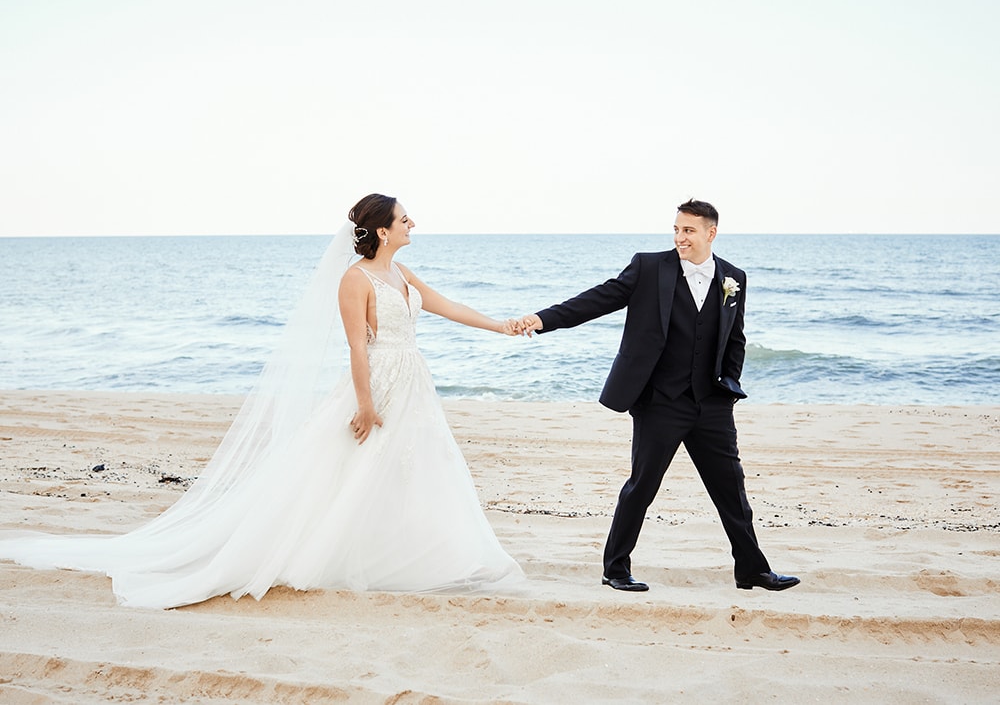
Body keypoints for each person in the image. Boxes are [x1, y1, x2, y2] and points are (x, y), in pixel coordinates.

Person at [0, 193, 524, 608]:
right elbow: (357, 348)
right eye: (406, 219)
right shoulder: (354, 279)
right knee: (355, 469)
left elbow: (446, 305)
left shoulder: (402, 274)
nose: (414, 224)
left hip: (414, 382)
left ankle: (413, 551)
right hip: (378, 382)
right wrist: (364, 405)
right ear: (382, 231)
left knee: (417, 467)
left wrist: (500, 326)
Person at [519, 199, 799, 593]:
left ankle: (751, 569)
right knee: (642, 486)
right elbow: (598, 299)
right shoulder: (649, 267)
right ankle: (615, 569)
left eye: (688, 230)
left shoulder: (733, 278)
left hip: (712, 404)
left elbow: (736, 338)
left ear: (710, 233)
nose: (680, 237)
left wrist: (728, 388)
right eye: (677, 230)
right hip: (660, 401)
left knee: (732, 491)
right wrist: (542, 319)